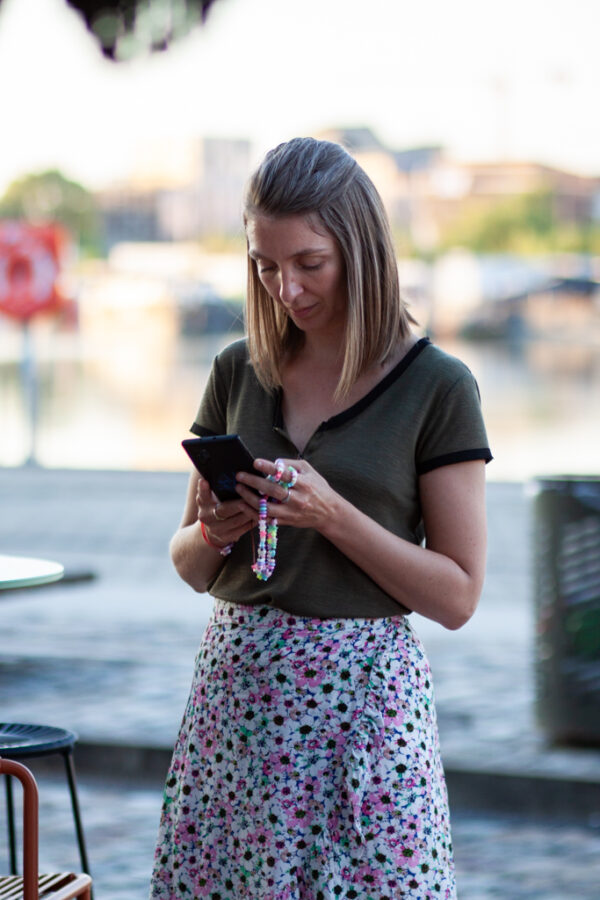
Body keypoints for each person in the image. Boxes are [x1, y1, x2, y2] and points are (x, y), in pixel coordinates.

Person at [150, 137, 492, 900]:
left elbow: (458, 596)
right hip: (235, 703)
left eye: (310, 263)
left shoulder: (437, 386)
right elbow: (189, 565)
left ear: (361, 248)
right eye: (265, 265)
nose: (286, 287)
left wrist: (332, 515)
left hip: (362, 708)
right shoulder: (237, 370)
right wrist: (216, 531)